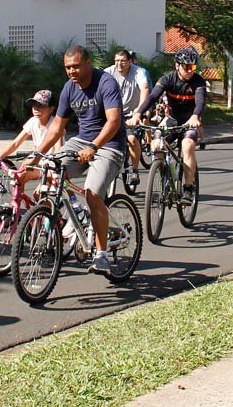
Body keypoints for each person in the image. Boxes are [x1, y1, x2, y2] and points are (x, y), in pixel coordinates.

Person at [34, 45, 125, 275]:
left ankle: (101, 254)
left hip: (109, 144)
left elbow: (113, 122)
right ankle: (67, 223)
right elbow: (57, 126)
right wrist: (37, 155)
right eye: (67, 68)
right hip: (82, 142)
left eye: (75, 66)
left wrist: (95, 146)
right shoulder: (68, 88)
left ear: (87, 63)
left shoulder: (106, 83)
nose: (71, 71)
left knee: (92, 192)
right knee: (49, 172)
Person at [128, 47, 206, 203]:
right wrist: (138, 113)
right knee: (156, 145)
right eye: (187, 66)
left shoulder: (198, 81)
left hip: (189, 120)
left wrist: (195, 116)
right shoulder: (167, 79)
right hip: (171, 120)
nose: (190, 70)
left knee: (187, 145)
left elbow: (200, 102)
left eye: (193, 67)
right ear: (177, 65)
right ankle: (163, 173)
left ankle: (188, 188)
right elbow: (152, 98)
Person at [0, 89, 62, 191]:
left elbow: (58, 150)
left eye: (41, 106)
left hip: (51, 166)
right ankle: (16, 206)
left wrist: (52, 168)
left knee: (39, 195)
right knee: (19, 177)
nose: (36, 109)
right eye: (34, 106)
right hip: (38, 163)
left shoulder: (56, 125)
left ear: (51, 109)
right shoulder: (33, 122)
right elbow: (15, 143)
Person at [106, 49, 151, 188]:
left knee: (131, 139)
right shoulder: (108, 72)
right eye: (116, 61)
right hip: (114, 113)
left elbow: (144, 89)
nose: (119, 64)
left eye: (123, 61)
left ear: (130, 62)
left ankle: (135, 170)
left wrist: (139, 112)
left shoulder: (138, 72)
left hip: (132, 113)